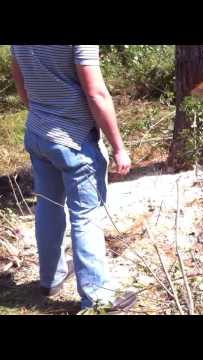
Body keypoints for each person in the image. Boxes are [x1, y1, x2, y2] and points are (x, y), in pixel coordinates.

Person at [10, 45, 137, 312]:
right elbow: (96, 93)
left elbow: (23, 91)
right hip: (75, 141)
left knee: (48, 206)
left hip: (38, 133)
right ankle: (98, 298)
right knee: (86, 215)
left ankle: (50, 278)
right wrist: (119, 147)